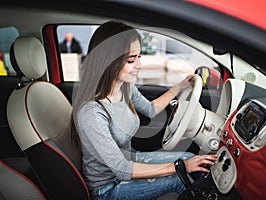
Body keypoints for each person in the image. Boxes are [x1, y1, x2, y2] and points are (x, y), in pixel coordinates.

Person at [71, 21, 217, 200]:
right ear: (108, 61)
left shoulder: (125, 87)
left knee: (189, 156)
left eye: (139, 56)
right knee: (181, 178)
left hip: (131, 159)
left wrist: (180, 86)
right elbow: (121, 168)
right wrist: (181, 166)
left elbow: (150, 109)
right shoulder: (91, 112)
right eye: (131, 60)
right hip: (107, 188)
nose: (139, 64)